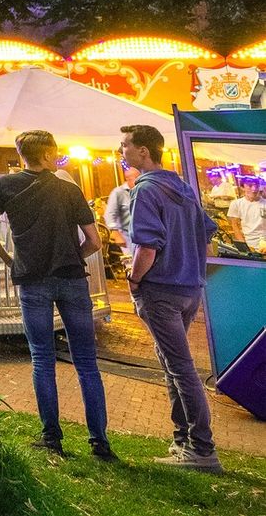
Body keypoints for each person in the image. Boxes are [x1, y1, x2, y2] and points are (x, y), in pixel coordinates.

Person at [0, 128, 112, 459]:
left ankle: (51, 437)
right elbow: (95, 240)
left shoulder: (3, 185)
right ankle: (99, 442)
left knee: (42, 358)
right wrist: (73, 255)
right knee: (86, 362)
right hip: (71, 279)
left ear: (21, 154)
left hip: (32, 280)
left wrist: (11, 259)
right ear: (49, 154)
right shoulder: (69, 190)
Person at [121, 122, 222, 471]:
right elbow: (208, 235)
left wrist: (133, 280)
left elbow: (147, 246)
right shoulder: (182, 186)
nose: (123, 151)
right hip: (189, 287)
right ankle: (183, 440)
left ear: (143, 151)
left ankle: (203, 449)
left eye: (126, 146)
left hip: (161, 289)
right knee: (171, 364)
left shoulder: (145, 189)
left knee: (180, 368)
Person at [229, 174, 266, 255]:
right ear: (242, 187)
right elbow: (235, 226)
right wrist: (244, 245)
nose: (254, 189)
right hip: (249, 243)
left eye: (256, 186)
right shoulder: (236, 204)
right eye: (250, 186)